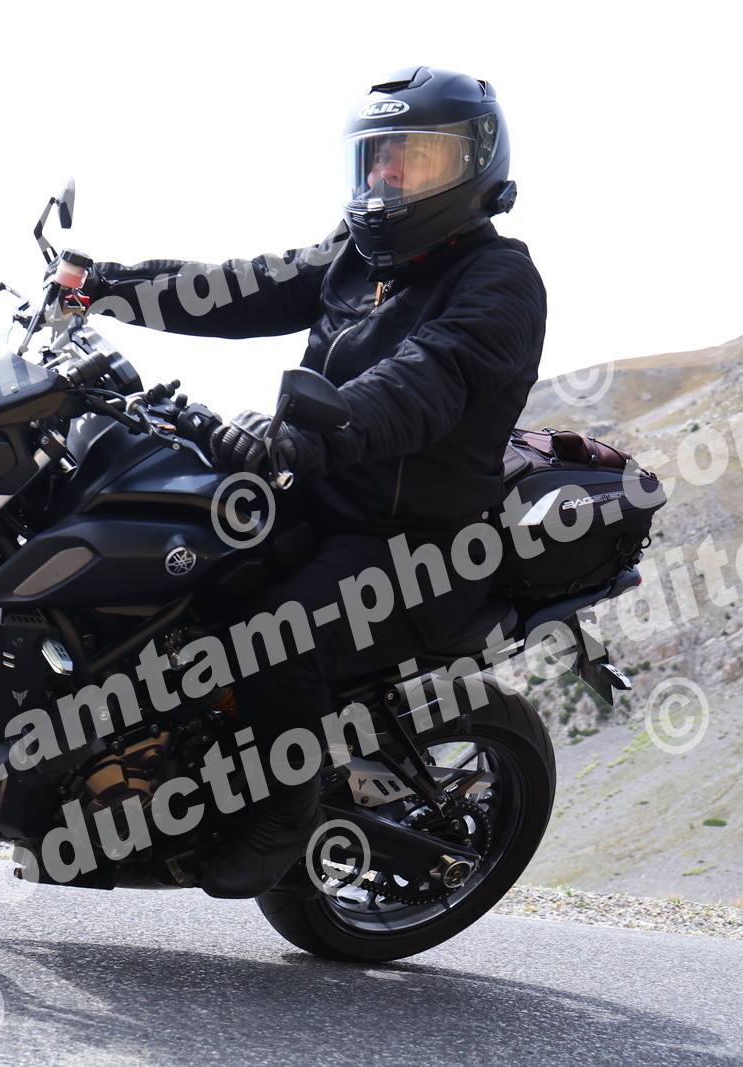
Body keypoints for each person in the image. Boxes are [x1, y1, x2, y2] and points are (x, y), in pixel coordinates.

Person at [79, 66, 548, 898]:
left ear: (472, 165)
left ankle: (282, 814)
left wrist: (297, 437)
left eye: (413, 158)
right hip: (314, 497)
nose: (388, 176)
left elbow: (421, 382)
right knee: (166, 560)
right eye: (376, 157)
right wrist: (106, 288)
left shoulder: (500, 281)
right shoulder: (356, 254)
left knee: (271, 637)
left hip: (414, 545)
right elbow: (243, 286)